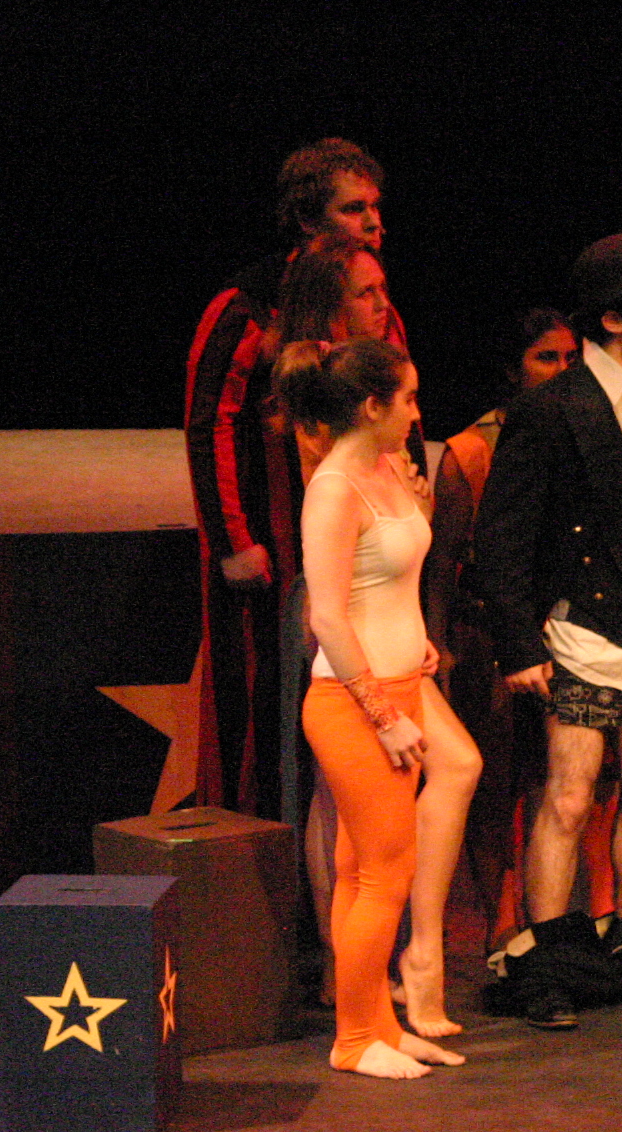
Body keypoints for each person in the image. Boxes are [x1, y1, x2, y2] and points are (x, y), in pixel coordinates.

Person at [472, 233, 622, 1030]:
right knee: (571, 794)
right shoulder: (551, 408)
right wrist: (518, 646)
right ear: (614, 320)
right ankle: (548, 959)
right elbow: (502, 537)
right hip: (581, 626)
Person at [271, 240, 470, 1037]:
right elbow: (328, 615)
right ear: (370, 406)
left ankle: (376, 1029)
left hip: (398, 676)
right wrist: (383, 714)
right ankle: (360, 1033)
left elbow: (392, 581)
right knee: (382, 873)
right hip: (355, 696)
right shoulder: (333, 486)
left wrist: (417, 644)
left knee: (369, 867)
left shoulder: (385, 468)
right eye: (409, 400)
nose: (418, 412)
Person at [186, 137, 400, 818]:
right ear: (308, 220)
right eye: (353, 208)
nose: (373, 222)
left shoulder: (374, 305)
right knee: (265, 705)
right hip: (274, 544)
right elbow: (209, 424)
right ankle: (253, 859)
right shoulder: (248, 308)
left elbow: (402, 414)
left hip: (361, 545)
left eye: (375, 207)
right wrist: (233, 541)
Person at [436, 310, 619, 952]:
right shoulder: (471, 451)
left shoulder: (598, 430)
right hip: (490, 636)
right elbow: (444, 562)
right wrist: (439, 645)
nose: (563, 371)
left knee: (589, 778)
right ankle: (502, 921)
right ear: (514, 370)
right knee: (497, 782)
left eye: (572, 358)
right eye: (546, 358)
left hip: (577, 627)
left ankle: (599, 914)